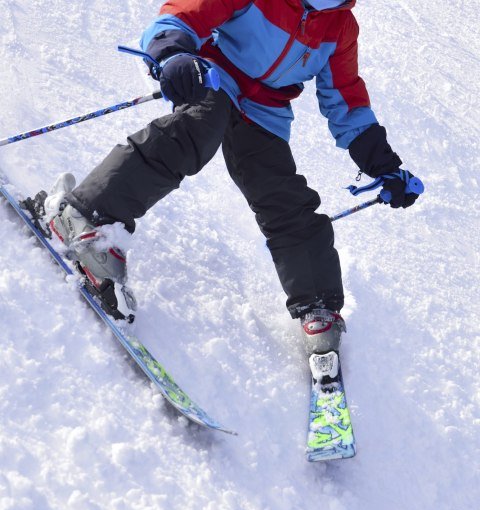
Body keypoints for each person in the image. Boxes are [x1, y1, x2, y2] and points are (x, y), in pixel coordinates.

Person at [48, 0, 419, 355]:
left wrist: (382, 163)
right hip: (212, 76)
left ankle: (318, 305)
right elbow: (181, 15)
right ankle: (87, 215)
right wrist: (173, 53)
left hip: (264, 108)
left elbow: (345, 98)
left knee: (281, 192)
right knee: (196, 130)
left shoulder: (339, 27)